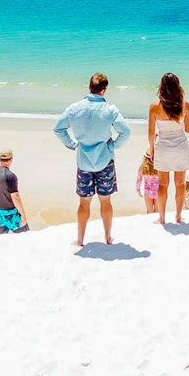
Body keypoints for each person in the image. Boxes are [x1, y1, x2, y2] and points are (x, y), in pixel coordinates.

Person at [54, 72, 130, 246]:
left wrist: (73, 144)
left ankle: (80, 239)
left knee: (83, 203)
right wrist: (112, 146)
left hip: (84, 163)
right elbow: (126, 132)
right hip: (105, 162)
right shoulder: (110, 110)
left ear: (89, 87)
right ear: (104, 90)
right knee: (106, 201)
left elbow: (58, 128)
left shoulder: (75, 108)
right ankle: (108, 237)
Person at [148, 72, 189, 224]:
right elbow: (187, 129)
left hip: (163, 148)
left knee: (162, 185)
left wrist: (151, 149)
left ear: (162, 87)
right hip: (180, 147)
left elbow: (151, 132)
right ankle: (178, 216)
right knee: (180, 183)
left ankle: (162, 218)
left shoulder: (155, 106)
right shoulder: (184, 104)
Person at [0, 148, 29, 235]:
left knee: (1, 240)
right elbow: (15, 197)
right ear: (11, 160)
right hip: (11, 213)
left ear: (0, 159)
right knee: (25, 237)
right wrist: (23, 215)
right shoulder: (10, 176)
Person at [136, 148, 159, 213]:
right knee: (158, 211)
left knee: (149, 211)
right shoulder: (160, 167)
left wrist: (138, 190)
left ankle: (150, 223)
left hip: (148, 193)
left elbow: (138, 180)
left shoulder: (143, 167)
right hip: (158, 192)